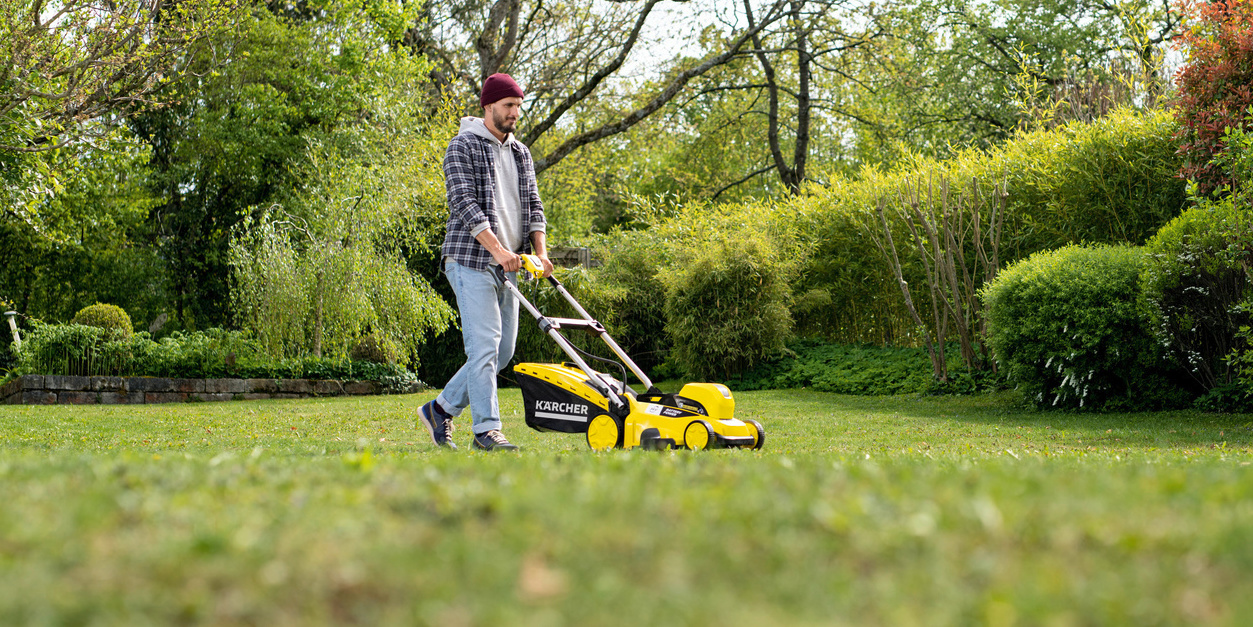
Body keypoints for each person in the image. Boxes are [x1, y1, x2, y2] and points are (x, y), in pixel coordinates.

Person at [417, 73, 553, 451]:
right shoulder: (462, 146)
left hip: (510, 265)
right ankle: (487, 430)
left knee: (503, 351)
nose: (514, 113)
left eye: (518, 107)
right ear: (488, 105)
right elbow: (463, 203)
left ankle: (440, 409)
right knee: (484, 346)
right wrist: (498, 251)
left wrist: (539, 253)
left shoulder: (521, 152)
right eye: (509, 106)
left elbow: (534, 205)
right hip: (470, 259)